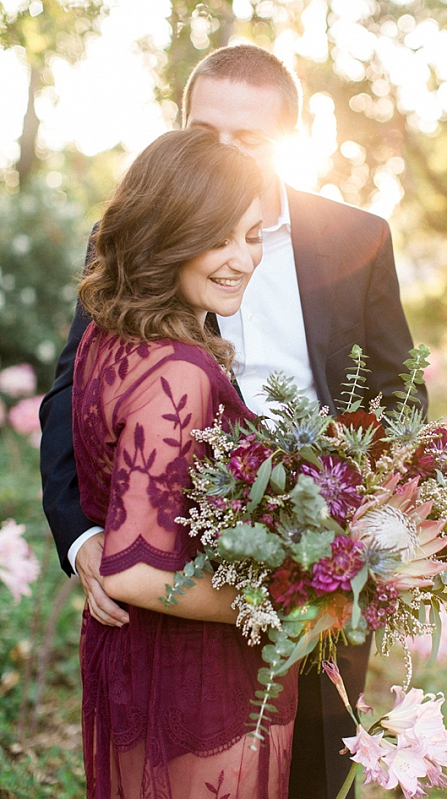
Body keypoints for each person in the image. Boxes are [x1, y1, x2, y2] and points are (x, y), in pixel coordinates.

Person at [39, 44, 427, 799]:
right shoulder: (133, 235)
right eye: (202, 129)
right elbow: (71, 391)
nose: (216, 153)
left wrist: (358, 530)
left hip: (310, 551)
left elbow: (396, 394)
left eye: (244, 139)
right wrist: (84, 538)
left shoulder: (357, 237)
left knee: (310, 766)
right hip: (168, 571)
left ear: (286, 139)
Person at [70, 126, 298, 798]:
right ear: (166, 233)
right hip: (196, 676)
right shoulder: (179, 371)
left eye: (252, 234)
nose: (241, 258)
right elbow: (136, 571)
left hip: (134, 663)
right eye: (217, 236)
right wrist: (276, 603)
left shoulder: (107, 338)